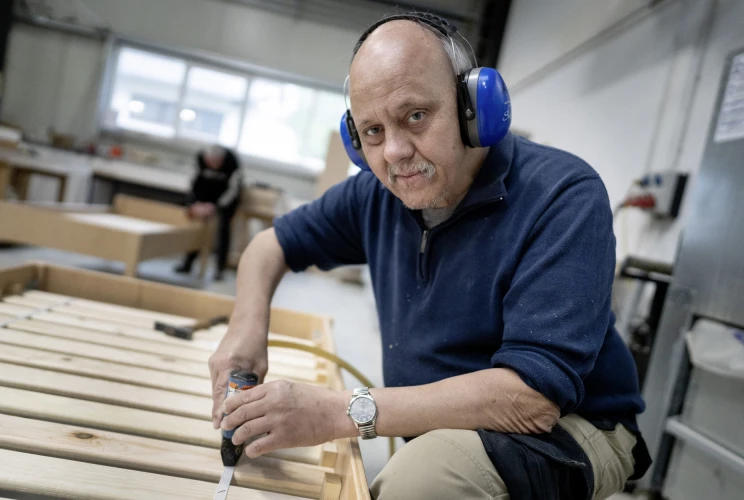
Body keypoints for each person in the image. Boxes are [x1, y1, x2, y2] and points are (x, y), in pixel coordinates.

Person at [208, 12, 651, 500]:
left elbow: (531, 399)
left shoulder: (562, 196)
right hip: (451, 423)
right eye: (372, 131)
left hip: (571, 427)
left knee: (419, 482)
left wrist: (338, 412)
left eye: (415, 116)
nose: (395, 151)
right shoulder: (377, 194)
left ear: (473, 107)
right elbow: (268, 246)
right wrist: (244, 334)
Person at [175, 145, 242, 281]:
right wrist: (195, 203)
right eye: (210, 163)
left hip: (224, 200)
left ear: (222, 160)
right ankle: (188, 263)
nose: (213, 166)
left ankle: (219, 269)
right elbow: (192, 183)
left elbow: (233, 190)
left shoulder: (232, 162)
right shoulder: (199, 159)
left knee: (223, 230)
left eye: (217, 163)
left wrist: (216, 207)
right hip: (204, 197)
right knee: (197, 228)